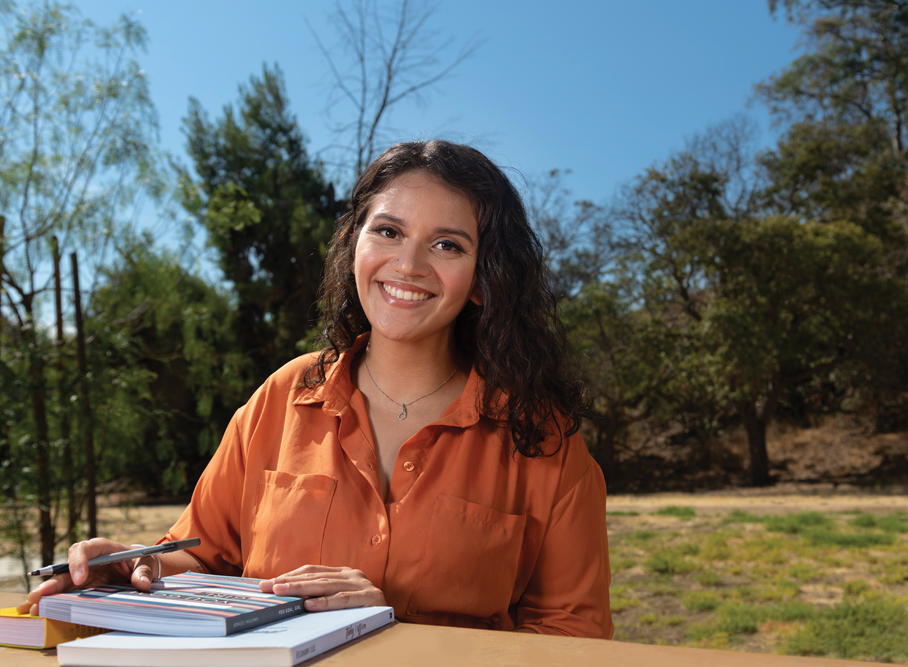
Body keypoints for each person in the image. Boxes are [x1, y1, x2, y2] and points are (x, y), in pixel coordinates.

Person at [20, 140, 613, 638]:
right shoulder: (280, 398)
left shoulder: (545, 439)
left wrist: (387, 626)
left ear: (485, 280)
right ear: (356, 246)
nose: (407, 264)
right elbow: (202, 554)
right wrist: (134, 570)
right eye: (388, 231)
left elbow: (575, 638)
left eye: (446, 244)